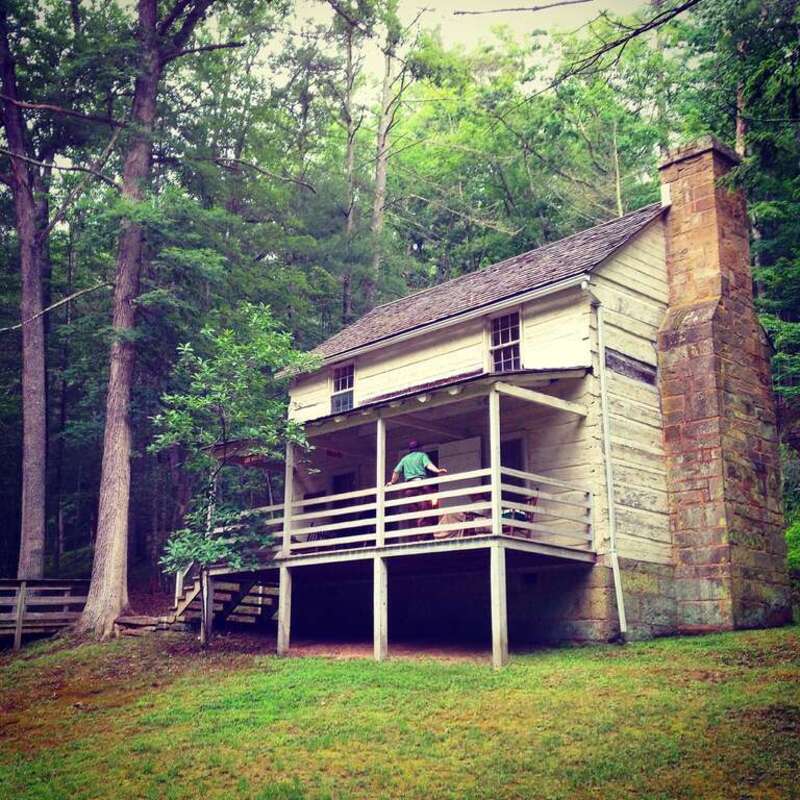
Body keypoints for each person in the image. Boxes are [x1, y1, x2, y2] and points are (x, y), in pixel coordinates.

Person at [387, 440, 447, 529]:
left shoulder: (405, 459)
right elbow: (428, 465)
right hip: (420, 486)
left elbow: (396, 471)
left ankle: (420, 526)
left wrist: (392, 482)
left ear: (410, 450)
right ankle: (424, 527)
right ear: (419, 448)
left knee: (416, 512)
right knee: (427, 509)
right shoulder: (422, 455)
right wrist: (437, 470)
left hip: (409, 489)